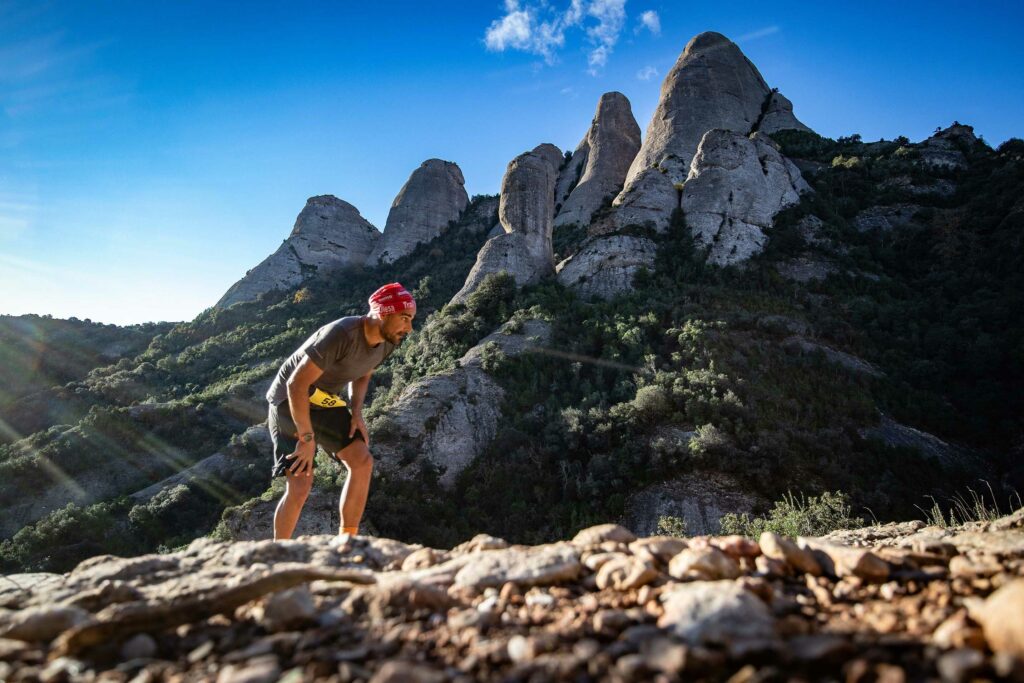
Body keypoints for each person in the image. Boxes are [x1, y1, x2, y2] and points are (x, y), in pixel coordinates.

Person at [266, 282, 416, 540]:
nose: (409, 327)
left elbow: (364, 372)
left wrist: (356, 412)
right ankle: (279, 552)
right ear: (383, 312)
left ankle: (347, 542)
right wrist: (306, 439)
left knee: (362, 461)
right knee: (301, 484)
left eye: (411, 319)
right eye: (404, 318)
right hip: (290, 402)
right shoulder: (341, 334)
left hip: (325, 401)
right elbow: (296, 384)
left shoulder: (389, 340)